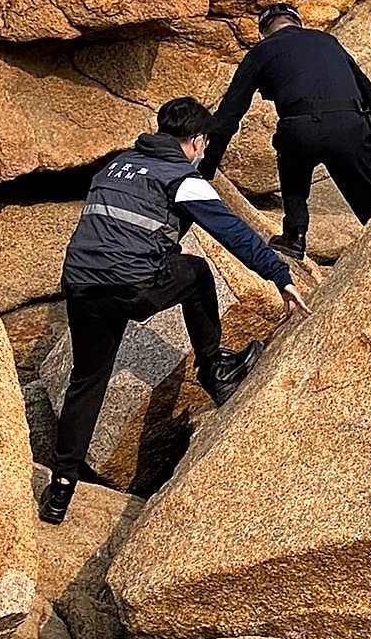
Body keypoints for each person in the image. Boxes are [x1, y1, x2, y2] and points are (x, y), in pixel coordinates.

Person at [40, 96, 309, 525]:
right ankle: (214, 369)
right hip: (132, 287)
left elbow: (121, 225)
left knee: (87, 382)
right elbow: (233, 233)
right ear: (197, 141)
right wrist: (279, 275)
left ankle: (60, 489)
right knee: (198, 274)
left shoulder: (116, 166)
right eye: (204, 144)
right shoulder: (181, 177)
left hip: (81, 284)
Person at [203, 3, 371, 261]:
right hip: (348, 126)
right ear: (298, 23)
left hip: (300, 129)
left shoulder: (260, 51)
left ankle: (295, 235)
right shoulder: (327, 41)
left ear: (263, 33)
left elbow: (229, 115)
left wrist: (206, 169)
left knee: (292, 163)